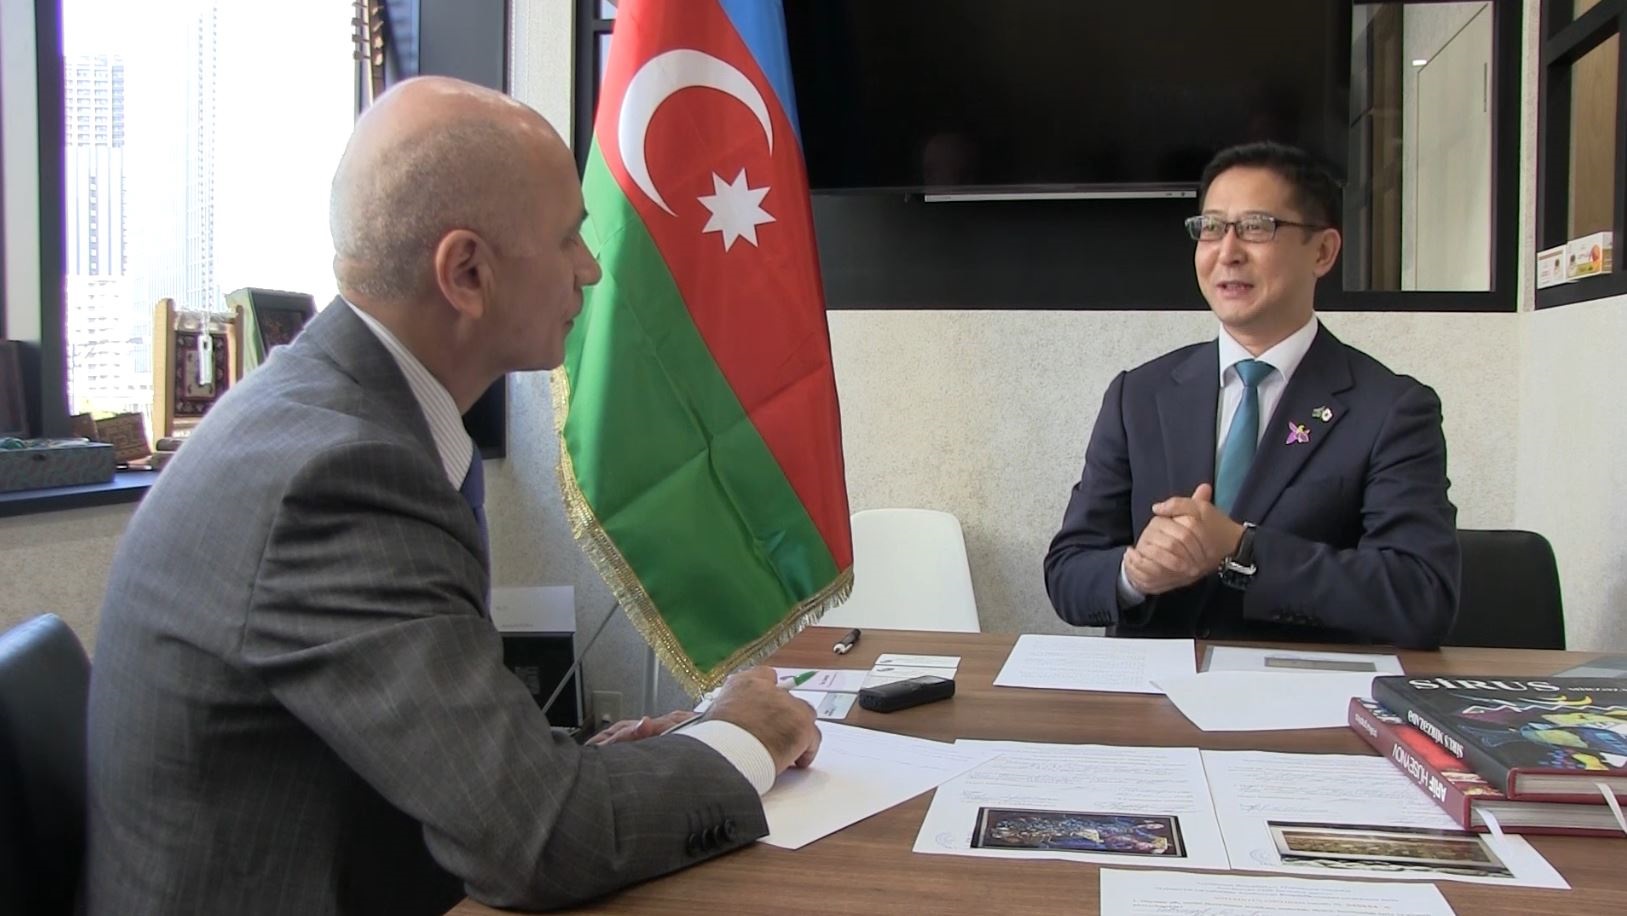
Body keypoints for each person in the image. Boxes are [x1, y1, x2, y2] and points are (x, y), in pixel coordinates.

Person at [84, 77, 820, 916]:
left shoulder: (330, 414)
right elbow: (537, 841)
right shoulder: (338, 479)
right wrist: (742, 739)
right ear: (467, 272)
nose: (589, 266)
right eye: (569, 237)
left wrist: (590, 766)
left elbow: (458, 760)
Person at [1044, 141, 1459, 648]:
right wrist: (1135, 573)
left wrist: (1242, 548)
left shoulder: (1390, 409)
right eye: (1211, 227)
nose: (1227, 251)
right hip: (1152, 688)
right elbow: (1067, 572)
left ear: (1323, 252)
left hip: (1302, 689)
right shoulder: (1139, 395)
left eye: (1257, 227)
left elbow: (1421, 597)